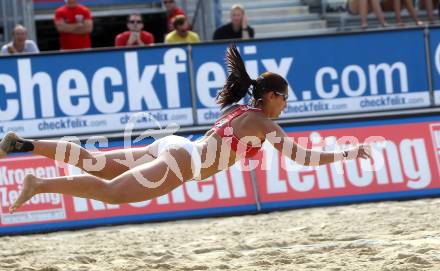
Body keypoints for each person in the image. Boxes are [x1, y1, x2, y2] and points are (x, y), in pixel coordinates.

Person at [2, 44, 371, 214]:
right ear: (271, 96)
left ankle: (25, 145)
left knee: (96, 162)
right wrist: (348, 152)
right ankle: (39, 184)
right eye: (284, 98)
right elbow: (302, 157)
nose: (286, 105)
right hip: (183, 160)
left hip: (176, 146)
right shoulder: (261, 120)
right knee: (113, 193)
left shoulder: (243, 108)